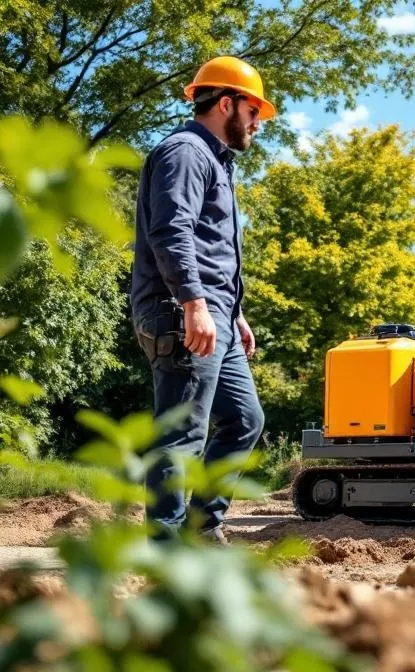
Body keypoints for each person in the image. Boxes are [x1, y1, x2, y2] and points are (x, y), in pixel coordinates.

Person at [129, 55, 277, 544]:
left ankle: (201, 527)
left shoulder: (215, 161)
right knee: (182, 433)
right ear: (227, 103)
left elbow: (213, 249)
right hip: (181, 312)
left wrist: (235, 313)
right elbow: (171, 231)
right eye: (253, 111)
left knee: (244, 419)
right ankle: (165, 547)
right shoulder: (186, 152)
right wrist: (194, 303)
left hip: (217, 314)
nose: (258, 124)